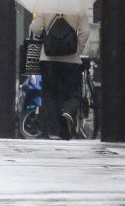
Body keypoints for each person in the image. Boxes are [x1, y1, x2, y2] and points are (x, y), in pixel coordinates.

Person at [32, 12, 89, 140]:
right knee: (72, 92)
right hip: (71, 60)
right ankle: (68, 112)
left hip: (48, 58)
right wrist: (76, 50)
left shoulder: (46, 4)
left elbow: (35, 28)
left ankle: (54, 131)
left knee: (50, 94)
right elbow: (85, 31)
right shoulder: (78, 5)